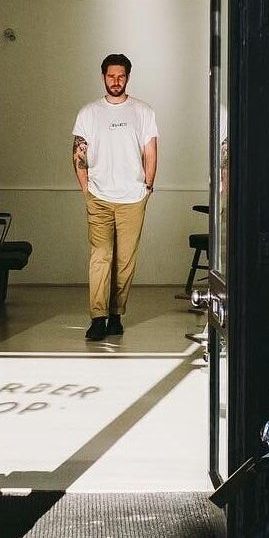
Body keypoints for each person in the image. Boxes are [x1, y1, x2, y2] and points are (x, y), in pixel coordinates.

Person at [71, 53, 158, 341]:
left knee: (124, 261)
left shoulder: (143, 111)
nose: (116, 81)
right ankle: (98, 318)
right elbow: (78, 152)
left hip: (133, 197)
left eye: (121, 76)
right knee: (100, 257)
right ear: (103, 77)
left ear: (128, 77)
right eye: (111, 76)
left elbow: (150, 150)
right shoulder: (89, 113)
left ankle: (116, 314)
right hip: (98, 196)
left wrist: (147, 186)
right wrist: (86, 189)